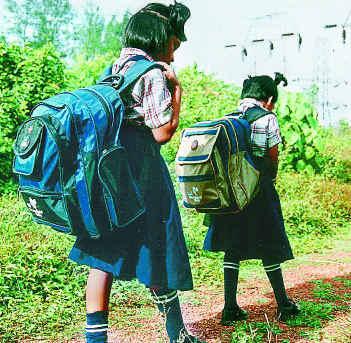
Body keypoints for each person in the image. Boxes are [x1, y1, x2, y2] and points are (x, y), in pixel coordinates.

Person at [68, 3, 205, 342]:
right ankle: (177, 334)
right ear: (159, 39)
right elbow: (161, 133)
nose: (173, 55)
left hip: (107, 172)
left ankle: (95, 339)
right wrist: (177, 92)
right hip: (141, 168)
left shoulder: (113, 69)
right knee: (157, 246)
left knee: (103, 254)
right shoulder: (153, 73)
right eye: (173, 45)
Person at [203, 73, 300, 324]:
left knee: (232, 249)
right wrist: (268, 180)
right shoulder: (267, 118)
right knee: (270, 247)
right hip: (258, 192)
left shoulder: (228, 119)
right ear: (268, 99)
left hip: (230, 196)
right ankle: (283, 305)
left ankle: (229, 307)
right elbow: (273, 155)